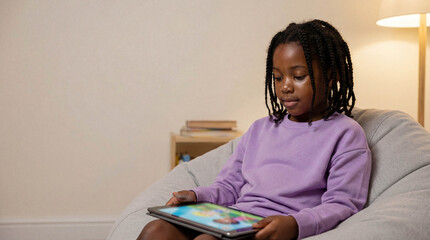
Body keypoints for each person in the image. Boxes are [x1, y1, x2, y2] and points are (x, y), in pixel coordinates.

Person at [138, 19, 372, 240]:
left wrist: (295, 224)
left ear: (331, 77)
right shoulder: (261, 128)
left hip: (273, 227)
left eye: (298, 76)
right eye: (278, 78)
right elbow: (229, 186)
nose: (285, 87)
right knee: (155, 231)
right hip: (235, 220)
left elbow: (343, 203)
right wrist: (198, 196)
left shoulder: (345, 134)